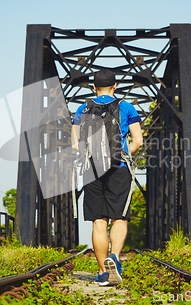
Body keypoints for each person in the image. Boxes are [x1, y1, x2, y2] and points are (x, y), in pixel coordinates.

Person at [71, 69, 143, 286]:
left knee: (98, 221)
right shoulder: (126, 107)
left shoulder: (82, 109)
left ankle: (103, 271)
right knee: (119, 218)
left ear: (93, 88)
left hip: (91, 169)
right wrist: (123, 154)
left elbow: (75, 145)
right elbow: (138, 141)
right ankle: (116, 258)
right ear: (115, 86)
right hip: (118, 168)